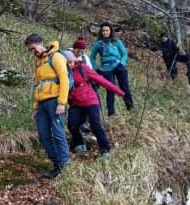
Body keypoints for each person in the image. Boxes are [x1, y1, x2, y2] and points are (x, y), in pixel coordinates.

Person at [24, 33, 70, 179]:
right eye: (30, 50)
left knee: (58, 134)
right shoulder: (38, 63)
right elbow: (38, 86)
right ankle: (57, 166)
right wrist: (35, 108)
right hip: (42, 104)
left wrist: (62, 102)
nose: (33, 52)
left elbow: (64, 79)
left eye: (33, 48)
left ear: (41, 43)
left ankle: (66, 166)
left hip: (55, 101)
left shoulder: (56, 57)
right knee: (44, 136)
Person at [67, 56, 125, 158]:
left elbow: (100, 79)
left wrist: (119, 92)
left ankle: (105, 149)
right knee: (72, 124)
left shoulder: (83, 68)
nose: (70, 64)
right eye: (67, 62)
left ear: (74, 60)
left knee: (95, 125)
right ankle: (80, 144)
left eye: (71, 62)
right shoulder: (63, 72)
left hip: (90, 100)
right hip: (75, 103)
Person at [89, 22, 134, 116]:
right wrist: (96, 68)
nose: (105, 32)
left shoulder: (117, 42)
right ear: (101, 32)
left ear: (110, 31)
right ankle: (111, 112)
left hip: (119, 66)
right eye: (103, 31)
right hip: (106, 68)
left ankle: (130, 107)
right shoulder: (99, 44)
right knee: (110, 89)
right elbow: (92, 57)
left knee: (124, 87)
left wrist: (122, 63)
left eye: (107, 30)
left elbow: (124, 54)